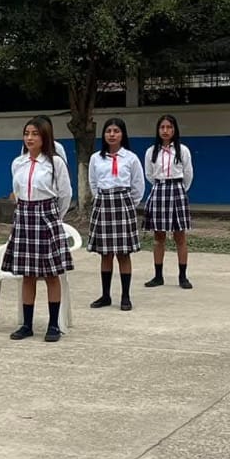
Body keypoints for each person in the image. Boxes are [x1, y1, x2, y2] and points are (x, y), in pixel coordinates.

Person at [4, 116, 73, 343]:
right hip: (24, 216)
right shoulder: (18, 163)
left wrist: (54, 218)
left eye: (35, 134)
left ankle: (53, 325)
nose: (30, 138)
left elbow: (65, 194)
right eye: (26, 134)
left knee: (52, 274)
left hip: (46, 216)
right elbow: (17, 190)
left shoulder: (55, 163)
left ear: (44, 137)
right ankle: (27, 324)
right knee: (28, 274)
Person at [86, 117, 146, 312]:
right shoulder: (96, 158)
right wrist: (102, 199)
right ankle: (105, 295)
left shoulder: (130, 158)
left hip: (123, 203)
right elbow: (93, 182)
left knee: (123, 253)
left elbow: (138, 184)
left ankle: (125, 296)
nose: (112, 135)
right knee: (105, 253)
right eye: (108, 131)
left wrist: (128, 203)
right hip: (103, 202)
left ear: (122, 135)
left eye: (116, 131)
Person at [143, 114, 194, 290]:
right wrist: (161, 186)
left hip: (177, 189)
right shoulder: (151, 151)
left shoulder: (183, 150)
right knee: (159, 237)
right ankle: (158, 276)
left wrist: (179, 190)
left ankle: (183, 276)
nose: (165, 131)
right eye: (162, 127)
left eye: (169, 127)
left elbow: (188, 174)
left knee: (180, 236)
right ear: (158, 130)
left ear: (174, 130)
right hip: (159, 190)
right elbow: (149, 174)